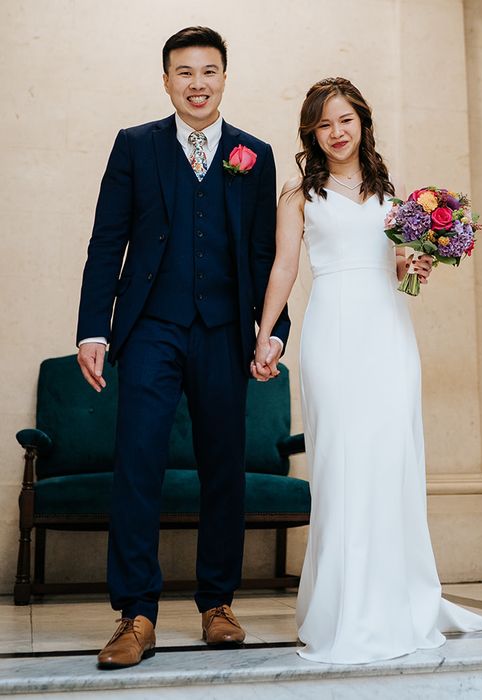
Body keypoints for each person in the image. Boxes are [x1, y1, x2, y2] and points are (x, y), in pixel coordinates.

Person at [254, 77, 482, 665]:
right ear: (311, 132)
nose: (336, 132)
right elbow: (282, 268)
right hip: (331, 332)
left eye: (345, 120)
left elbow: (402, 266)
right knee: (343, 463)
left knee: (391, 462)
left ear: (362, 123)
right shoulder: (297, 196)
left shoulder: (393, 195)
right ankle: (345, 607)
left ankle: (395, 599)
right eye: (323, 124)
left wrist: (414, 263)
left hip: (389, 335)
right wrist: (266, 335)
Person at [75, 26, 289, 669]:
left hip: (225, 331)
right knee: (137, 463)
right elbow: (106, 241)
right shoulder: (135, 146)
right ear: (166, 80)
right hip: (151, 329)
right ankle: (135, 614)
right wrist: (94, 327)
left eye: (210, 71)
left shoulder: (255, 154)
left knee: (223, 466)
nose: (198, 83)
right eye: (185, 72)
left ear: (226, 77)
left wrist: (272, 332)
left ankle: (217, 604)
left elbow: (265, 255)